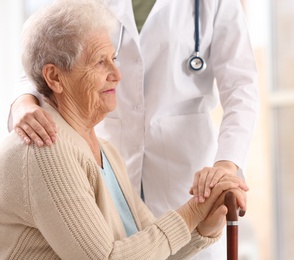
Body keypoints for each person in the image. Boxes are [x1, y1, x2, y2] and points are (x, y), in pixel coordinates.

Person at [9, 0, 259, 258]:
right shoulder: (50, 153)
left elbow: (242, 90)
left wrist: (226, 167)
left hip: (183, 168)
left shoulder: (214, 4)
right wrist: (23, 103)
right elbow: (46, 51)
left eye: (114, 59)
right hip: (105, 147)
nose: (117, 73)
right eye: (101, 62)